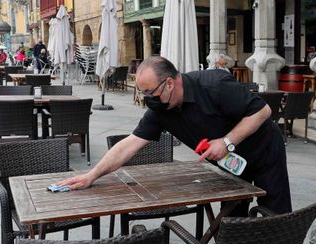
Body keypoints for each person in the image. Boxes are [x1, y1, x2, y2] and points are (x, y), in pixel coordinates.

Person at [58, 56, 292, 217]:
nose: (147, 99)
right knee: (232, 217)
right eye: (143, 93)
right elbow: (129, 145)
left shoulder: (214, 84)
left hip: (263, 152)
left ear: (169, 83)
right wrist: (92, 175)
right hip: (230, 163)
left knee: (275, 214)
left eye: (150, 92)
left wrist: (226, 141)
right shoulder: (160, 110)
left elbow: (263, 111)